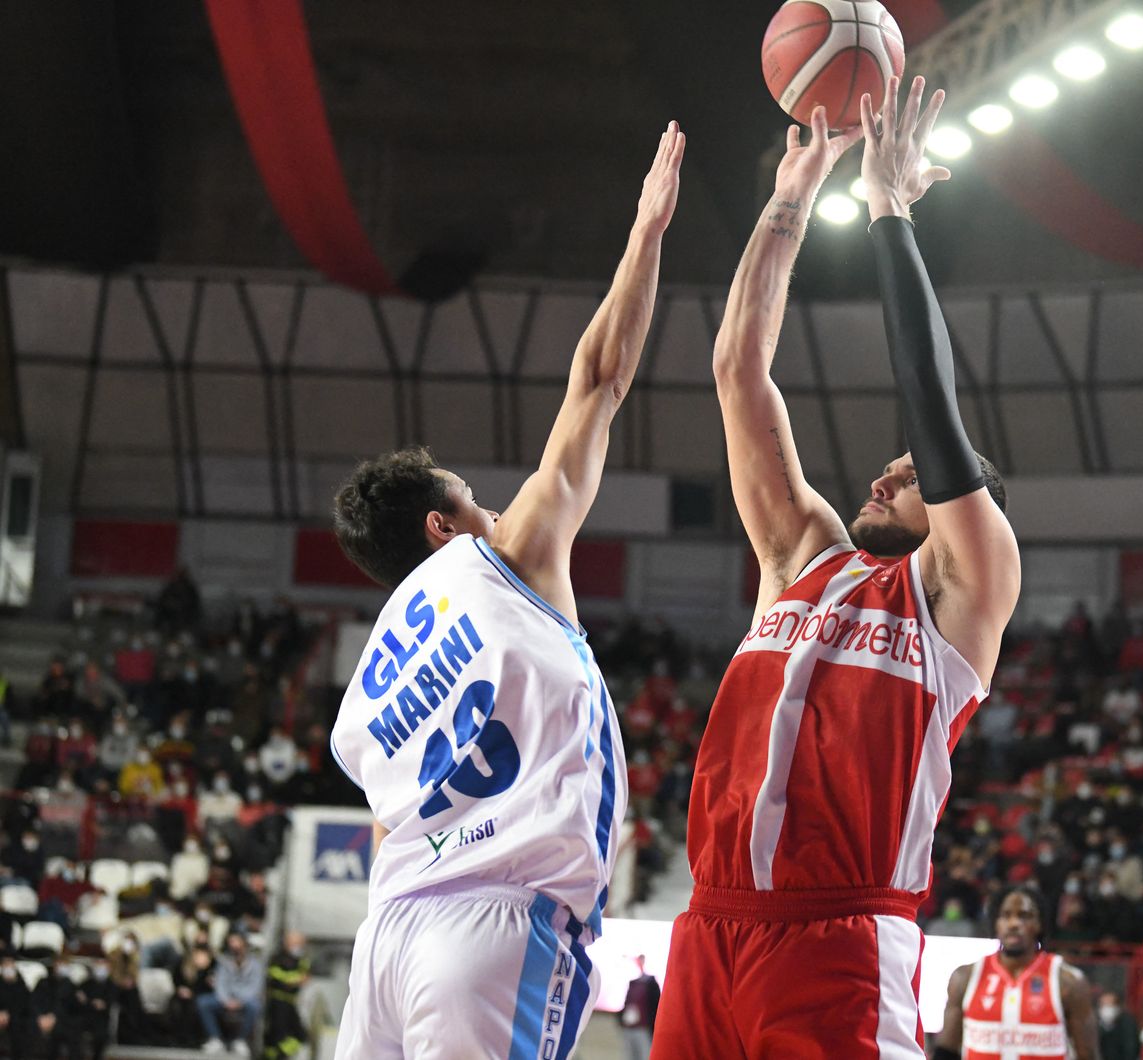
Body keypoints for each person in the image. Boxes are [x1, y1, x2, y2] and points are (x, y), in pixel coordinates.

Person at [650, 78, 1020, 1058]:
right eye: (889, 467)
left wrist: (888, 207)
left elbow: (933, 410)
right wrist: (796, 197)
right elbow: (738, 367)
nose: (885, 471)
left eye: (910, 477)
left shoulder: (964, 590)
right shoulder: (802, 554)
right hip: (710, 926)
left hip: (842, 933)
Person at [327, 122, 684, 1060]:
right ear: (442, 529)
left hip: (389, 936)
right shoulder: (503, 559)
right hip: (496, 920)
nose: (495, 506)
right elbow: (599, 382)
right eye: (472, 499)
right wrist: (646, 235)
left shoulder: (381, 658)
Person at [935, 886, 1098, 1060]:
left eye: (1024, 916)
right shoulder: (965, 977)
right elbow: (946, 1050)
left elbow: (1088, 1055)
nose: (1014, 923)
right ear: (996, 923)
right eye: (1006, 915)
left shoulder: (1068, 982)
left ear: (1039, 924)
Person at [198, 931, 263, 1055]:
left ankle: (240, 1041)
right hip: (226, 999)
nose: (234, 946)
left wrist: (240, 1001)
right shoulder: (224, 962)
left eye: (236, 942)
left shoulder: (255, 964)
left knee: (255, 1006)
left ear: (244, 944)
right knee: (203, 1002)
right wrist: (226, 1000)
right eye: (231, 943)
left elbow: (255, 987)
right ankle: (215, 1038)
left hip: (244, 1000)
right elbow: (220, 983)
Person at [264, 931, 311, 1060]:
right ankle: (274, 1055)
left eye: (300, 944)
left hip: (291, 1001)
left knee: (301, 1035)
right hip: (278, 1001)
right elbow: (275, 975)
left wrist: (297, 980)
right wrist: (293, 979)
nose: (298, 946)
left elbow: (305, 975)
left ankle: (282, 1053)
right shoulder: (278, 957)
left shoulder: (301, 960)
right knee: (277, 1034)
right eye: (295, 943)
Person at [618, 955, 660, 1060]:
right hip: (629, 1027)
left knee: (645, 1055)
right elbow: (626, 1003)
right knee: (631, 1055)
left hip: (644, 1028)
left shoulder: (651, 984)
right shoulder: (632, 983)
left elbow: (655, 1006)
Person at [1098, 991, 1140, 1060]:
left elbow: (1131, 1049)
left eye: (1109, 1005)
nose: (1106, 1008)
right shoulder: (1098, 1024)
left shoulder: (1127, 1022)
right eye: (1103, 1005)